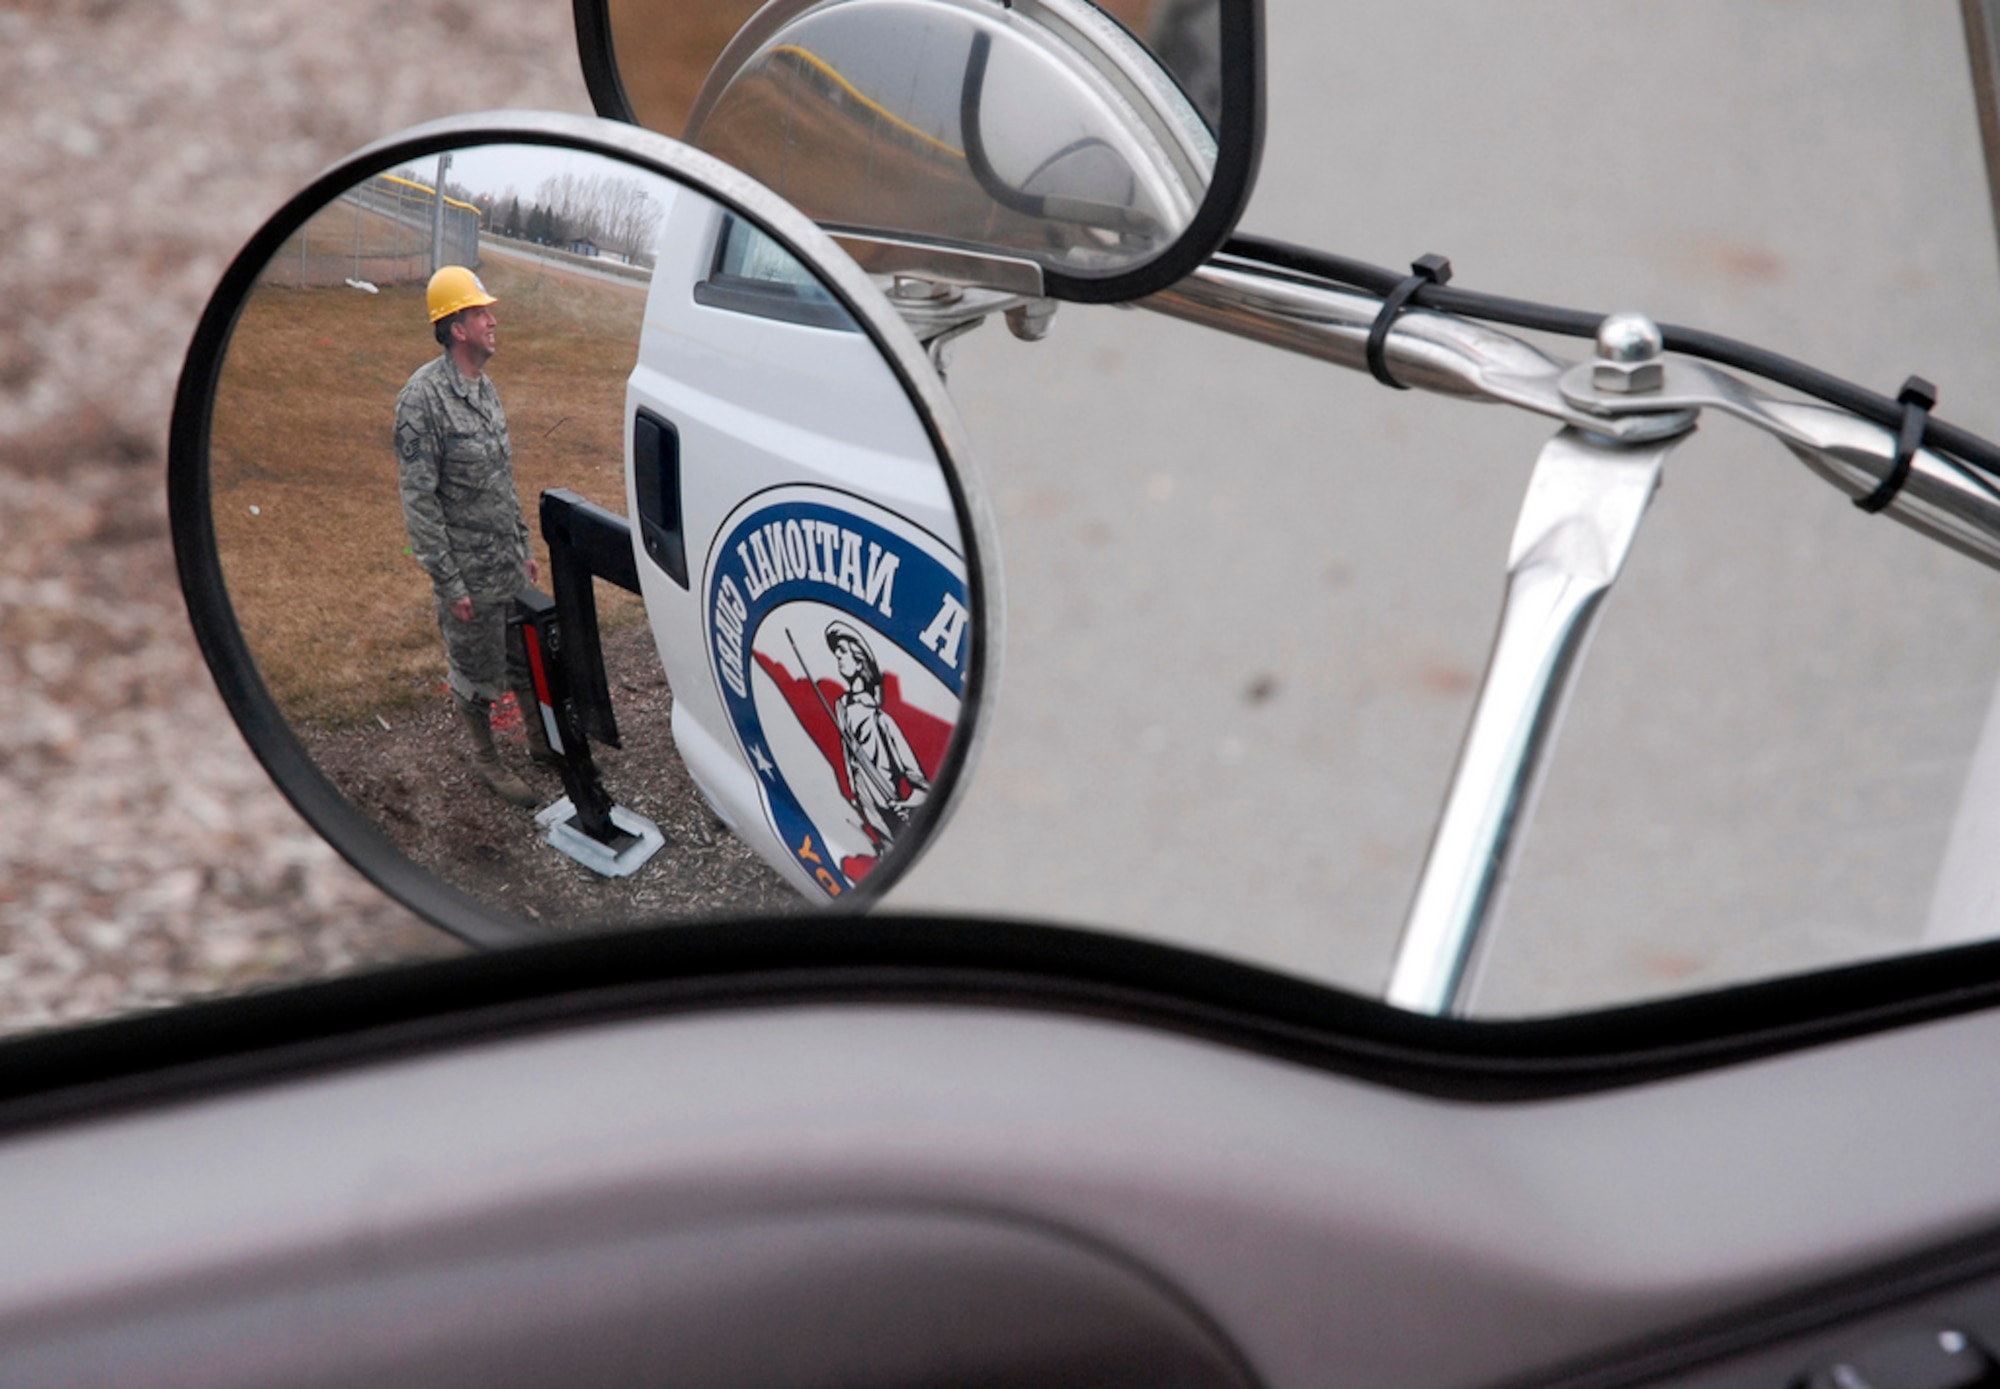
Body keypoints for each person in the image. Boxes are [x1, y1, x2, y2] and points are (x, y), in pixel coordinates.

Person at [394, 265, 549, 808]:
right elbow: (419, 500)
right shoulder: (422, 401)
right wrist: (449, 582)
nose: (493, 320)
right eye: (482, 312)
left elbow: (502, 477)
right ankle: (487, 759)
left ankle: (540, 744)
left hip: (504, 562)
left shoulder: (486, 390)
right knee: (475, 672)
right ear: (456, 327)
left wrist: (523, 545)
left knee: (522, 660)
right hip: (467, 577)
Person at [824, 621, 929, 847]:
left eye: (842, 651)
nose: (838, 657)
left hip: (893, 821)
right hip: (866, 812)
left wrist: (907, 805)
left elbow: (921, 783)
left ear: (859, 659)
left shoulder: (880, 720)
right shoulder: (841, 707)